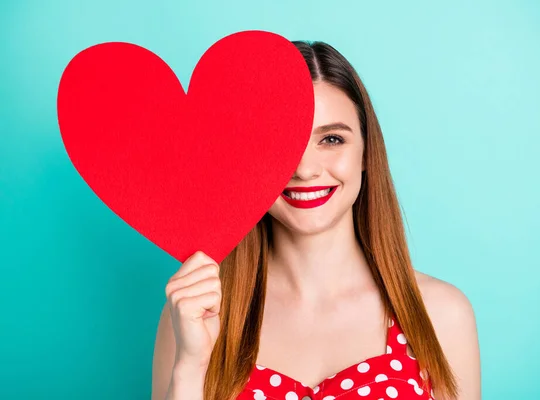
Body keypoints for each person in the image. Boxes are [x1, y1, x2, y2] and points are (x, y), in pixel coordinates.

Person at [152, 40, 481, 400]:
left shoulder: (441, 314)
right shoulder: (196, 315)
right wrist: (191, 366)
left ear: (367, 152)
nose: (305, 170)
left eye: (332, 139)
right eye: (279, 142)